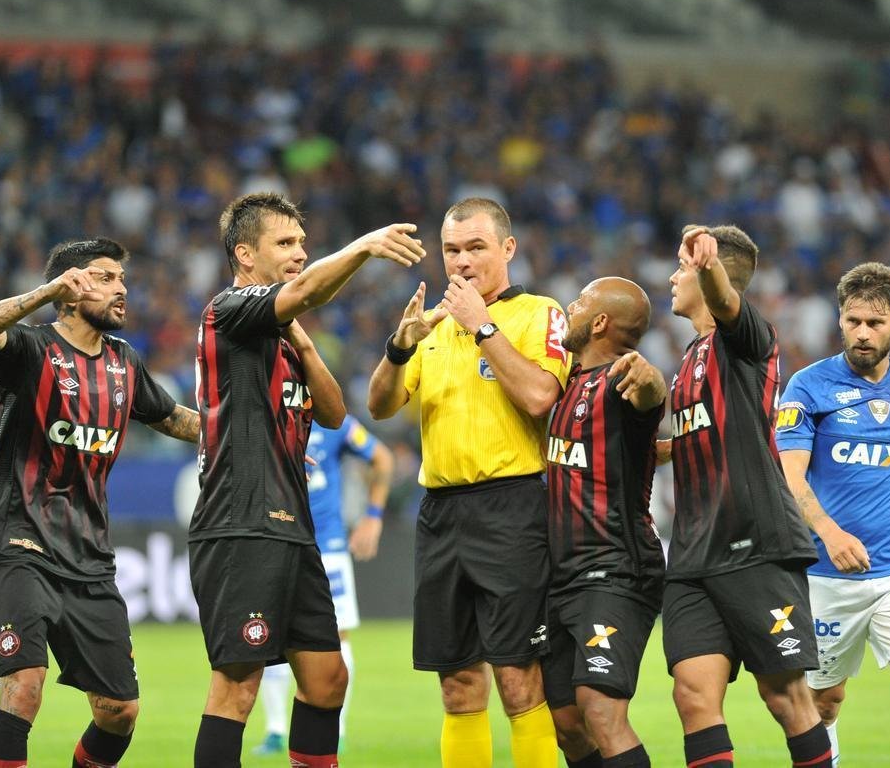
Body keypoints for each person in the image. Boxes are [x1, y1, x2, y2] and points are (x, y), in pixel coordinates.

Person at [189, 192, 424, 768]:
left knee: (327, 679)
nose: (300, 252)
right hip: (241, 524)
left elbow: (335, 414)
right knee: (238, 686)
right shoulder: (229, 308)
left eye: (302, 242)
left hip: (293, 529)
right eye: (285, 242)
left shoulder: (283, 338)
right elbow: (308, 291)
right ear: (245, 254)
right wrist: (364, 247)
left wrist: (303, 340)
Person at [0, 238, 200, 768]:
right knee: (24, 687)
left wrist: (246, 438)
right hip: (20, 542)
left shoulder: (123, 361)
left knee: (119, 711)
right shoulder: (31, 349)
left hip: (89, 557)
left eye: (122, 278)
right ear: (70, 288)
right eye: (106, 278)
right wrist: (42, 293)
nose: (122, 288)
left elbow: (170, 417)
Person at [368, 197, 570, 768]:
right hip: (441, 512)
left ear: (508, 248)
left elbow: (540, 397)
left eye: (475, 247)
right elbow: (380, 405)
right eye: (452, 250)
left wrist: (481, 324)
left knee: (518, 678)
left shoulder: (539, 313)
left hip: (514, 508)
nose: (461, 261)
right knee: (457, 684)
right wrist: (400, 345)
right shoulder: (432, 326)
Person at [775, 262, 890, 768]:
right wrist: (830, 533)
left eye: (874, 323)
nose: (862, 333)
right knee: (824, 702)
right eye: (853, 321)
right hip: (825, 574)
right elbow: (791, 478)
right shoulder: (808, 387)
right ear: (840, 319)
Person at [660, 224, 832, 768]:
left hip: (754, 544)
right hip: (693, 554)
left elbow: (727, 303)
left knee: (784, 697)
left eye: (681, 268)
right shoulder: (689, 358)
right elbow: (703, 435)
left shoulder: (748, 340)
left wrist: (708, 265)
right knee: (692, 695)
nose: (673, 277)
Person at [544, 277, 667, 768]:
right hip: (561, 575)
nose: (568, 308)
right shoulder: (568, 382)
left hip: (614, 569)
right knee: (568, 725)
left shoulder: (622, 382)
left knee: (599, 710)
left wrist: (650, 379)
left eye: (578, 303)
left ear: (598, 322)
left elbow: (650, 398)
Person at [253, 414, 394, 755]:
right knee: (267, 634)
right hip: (275, 540)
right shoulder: (267, 416)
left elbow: (382, 458)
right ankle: (275, 730)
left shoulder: (334, 422)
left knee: (337, 634)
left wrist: (373, 517)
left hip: (327, 545)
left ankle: (337, 729)